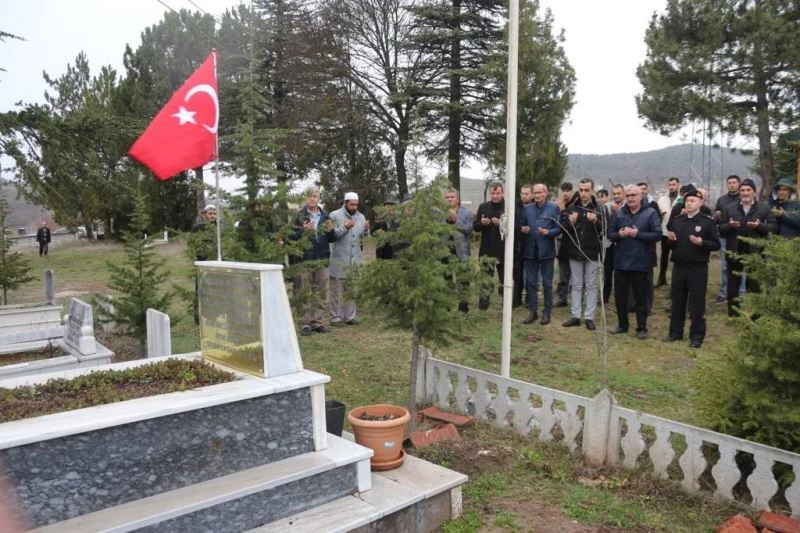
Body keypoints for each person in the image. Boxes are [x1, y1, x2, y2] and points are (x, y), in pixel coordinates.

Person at [664, 188, 720, 348]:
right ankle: (675, 332)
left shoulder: (707, 222)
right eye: (687, 201)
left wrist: (701, 242)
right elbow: (670, 245)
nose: (689, 203)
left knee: (696, 304)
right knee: (677, 302)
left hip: (698, 268)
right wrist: (671, 240)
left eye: (692, 201)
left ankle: (696, 336)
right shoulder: (677, 221)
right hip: (679, 266)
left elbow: (716, 244)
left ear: (701, 203)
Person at [608, 185, 661, 339]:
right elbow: (610, 234)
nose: (631, 198)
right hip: (621, 262)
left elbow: (657, 234)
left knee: (641, 297)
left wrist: (638, 234)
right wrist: (620, 235)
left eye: (634, 195)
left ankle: (641, 327)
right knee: (620, 296)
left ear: (641, 196)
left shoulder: (650, 213)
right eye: (628, 195)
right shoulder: (619, 213)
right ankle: (622, 325)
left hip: (641, 262)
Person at [718, 178, 775, 317]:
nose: (745, 193)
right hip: (735, 251)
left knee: (755, 286)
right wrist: (730, 226)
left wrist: (759, 226)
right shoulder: (730, 208)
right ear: (739, 192)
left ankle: (756, 316)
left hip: (755, 252)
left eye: (748, 190)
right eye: (742, 190)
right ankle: (733, 315)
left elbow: (773, 227)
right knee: (733, 287)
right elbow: (721, 228)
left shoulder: (764, 207)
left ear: (754, 192)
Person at [560, 178, 605, 331]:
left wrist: (596, 221)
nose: (584, 193)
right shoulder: (572, 207)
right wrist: (570, 222)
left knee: (591, 285)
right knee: (576, 284)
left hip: (592, 252)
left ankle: (589, 317)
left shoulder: (598, 208)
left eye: (587, 190)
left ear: (592, 191)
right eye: (581, 190)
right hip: (575, 251)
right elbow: (564, 229)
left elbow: (606, 228)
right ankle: (575, 316)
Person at [289, 187, 333, 336]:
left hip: (321, 259)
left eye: (315, 196)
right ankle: (304, 323)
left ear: (319, 199)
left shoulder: (325, 215)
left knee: (320, 292)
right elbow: (290, 236)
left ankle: (317, 322)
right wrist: (303, 231)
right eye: (309, 196)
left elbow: (331, 238)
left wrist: (331, 230)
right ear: (305, 199)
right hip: (303, 259)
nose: (312, 199)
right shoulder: (298, 216)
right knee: (303, 290)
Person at [518, 183, 561, 325]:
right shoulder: (527, 209)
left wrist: (549, 232)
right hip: (530, 251)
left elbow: (558, 229)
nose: (537, 195)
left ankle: (547, 313)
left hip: (547, 251)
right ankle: (533, 312)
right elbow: (521, 226)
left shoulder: (553, 208)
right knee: (531, 283)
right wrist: (524, 229)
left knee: (547, 284)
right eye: (535, 193)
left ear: (546, 193)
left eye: (539, 192)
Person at [328, 192, 369, 326]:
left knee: (351, 291)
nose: (354, 207)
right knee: (336, 291)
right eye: (352, 204)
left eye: (356, 204)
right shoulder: (334, 216)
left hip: (354, 261)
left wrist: (366, 230)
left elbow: (364, 239)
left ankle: (349, 317)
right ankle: (335, 317)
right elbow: (331, 236)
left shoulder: (361, 217)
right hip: (338, 259)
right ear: (345, 203)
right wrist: (345, 227)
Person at [473, 181, 506, 310]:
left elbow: (514, 227)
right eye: (493, 193)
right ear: (489, 193)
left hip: (503, 250)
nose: (495, 196)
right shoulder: (483, 207)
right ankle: (483, 306)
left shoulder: (508, 207)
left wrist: (501, 224)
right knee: (485, 280)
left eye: (498, 193)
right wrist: (482, 223)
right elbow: (475, 227)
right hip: (487, 249)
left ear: (503, 192)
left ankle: (507, 305)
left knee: (504, 280)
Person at [444, 188, 474, 313]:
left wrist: (456, 221)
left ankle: (463, 309)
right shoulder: (440, 214)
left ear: (458, 199)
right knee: (445, 281)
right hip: (444, 251)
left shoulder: (466, 213)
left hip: (461, 252)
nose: (450, 199)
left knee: (463, 281)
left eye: (452, 197)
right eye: (447, 197)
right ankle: (446, 309)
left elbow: (468, 229)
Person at [713, 175, 742, 303]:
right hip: (724, 236)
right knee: (725, 267)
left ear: (739, 184)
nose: (732, 185)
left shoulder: (743, 198)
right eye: (729, 183)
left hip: (740, 236)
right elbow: (717, 219)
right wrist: (717, 216)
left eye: (734, 182)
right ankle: (724, 293)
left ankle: (741, 293)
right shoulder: (721, 200)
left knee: (741, 265)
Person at [602, 184, 625, 304]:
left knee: (621, 274)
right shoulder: (606, 206)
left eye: (619, 193)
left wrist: (619, 212)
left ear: (623, 194)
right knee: (607, 272)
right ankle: (605, 296)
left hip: (623, 244)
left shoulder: (627, 206)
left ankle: (620, 298)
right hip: (609, 244)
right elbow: (603, 225)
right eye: (614, 193)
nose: (616, 196)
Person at [656, 177, 681, 287]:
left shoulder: (682, 199)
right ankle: (662, 278)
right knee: (664, 257)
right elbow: (656, 214)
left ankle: (676, 281)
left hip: (678, 233)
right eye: (670, 185)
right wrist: (660, 214)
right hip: (665, 232)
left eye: (673, 184)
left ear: (678, 185)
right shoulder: (662, 199)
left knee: (677, 257)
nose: (671, 187)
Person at [513, 184, 534, 308]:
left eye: (527, 194)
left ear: (531, 195)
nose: (524, 196)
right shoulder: (515, 206)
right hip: (518, 243)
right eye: (522, 193)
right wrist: (520, 228)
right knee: (517, 272)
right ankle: (516, 299)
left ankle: (530, 298)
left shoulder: (535, 207)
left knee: (531, 273)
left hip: (531, 243)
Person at [555, 182, 574, 307]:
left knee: (577, 274)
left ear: (572, 191)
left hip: (574, 243)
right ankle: (562, 298)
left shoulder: (575, 205)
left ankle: (577, 298)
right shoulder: (558, 204)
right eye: (564, 191)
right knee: (563, 272)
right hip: (562, 244)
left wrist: (563, 210)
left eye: (568, 191)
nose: (566, 193)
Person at [373, 194, 401, 259]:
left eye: (392, 206)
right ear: (384, 207)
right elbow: (373, 232)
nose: (390, 209)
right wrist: (377, 232)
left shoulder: (400, 220)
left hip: (395, 254)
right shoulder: (379, 219)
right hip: (382, 253)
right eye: (388, 206)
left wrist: (388, 235)